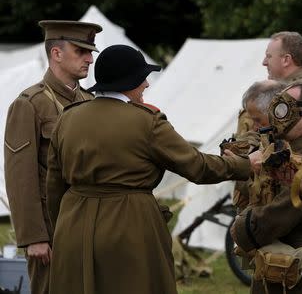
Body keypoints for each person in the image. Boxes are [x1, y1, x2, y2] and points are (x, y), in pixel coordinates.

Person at [45, 44, 259, 294]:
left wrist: (62, 226)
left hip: (74, 223)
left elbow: (54, 185)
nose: (146, 84)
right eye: (142, 78)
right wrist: (247, 164)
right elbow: (198, 167)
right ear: (130, 81)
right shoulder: (147, 122)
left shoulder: (68, 118)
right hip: (130, 223)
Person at [4, 20, 102, 294]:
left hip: (89, 226)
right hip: (52, 230)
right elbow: (19, 177)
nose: (90, 59)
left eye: (90, 51)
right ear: (56, 53)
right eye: (81, 51)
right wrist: (34, 237)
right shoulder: (29, 104)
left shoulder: (91, 102)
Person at [231, 81, 302, 294]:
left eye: (286, 108)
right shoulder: (285, 151)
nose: (278, 115)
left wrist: (241, 228)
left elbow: (278, 214)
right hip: (276, 268)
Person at [232, 80, 286, 213]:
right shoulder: (266, 140)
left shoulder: (287, 148)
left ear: (277, 113)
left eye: (257, 120)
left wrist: (242, 168)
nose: (255, 127)